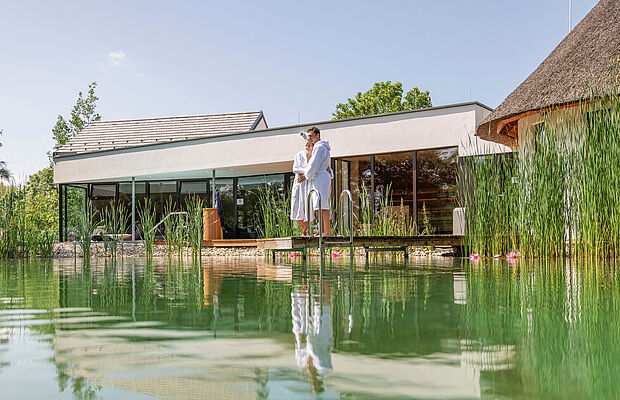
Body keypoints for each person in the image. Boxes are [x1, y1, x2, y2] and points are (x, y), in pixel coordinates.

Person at [301, 126, 331, 236]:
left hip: (321, 178)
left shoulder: (320, 148)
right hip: (317, 178)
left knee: (322, 204)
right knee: (317, 206)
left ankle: (327, 231)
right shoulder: (318, 148)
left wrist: (305, 175)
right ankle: (322, 230)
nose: (309, 138)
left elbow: (314, 165)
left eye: (311, 136)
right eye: (308, 136)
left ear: (317, 135)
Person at [290, 138, 314, 235]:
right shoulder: (299, 155)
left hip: (308, 184)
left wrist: (305, 174)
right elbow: (295, 169)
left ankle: (305, 231)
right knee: (296, 207)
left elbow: (315, 169)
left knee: (307, 208)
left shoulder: (314, 156)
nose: (307, 148)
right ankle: (304, 229)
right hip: (299, 184)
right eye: (306, 145)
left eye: (309, 146)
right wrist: (307, 171)